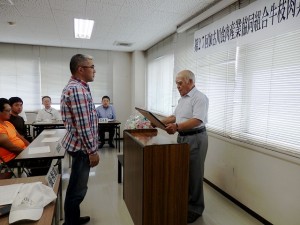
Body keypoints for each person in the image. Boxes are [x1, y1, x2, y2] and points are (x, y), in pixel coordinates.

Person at [162, 70, 209, 224]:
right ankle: (186, 202)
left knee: (194, 174)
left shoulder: (199, 98)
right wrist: (158, 121)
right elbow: (175, 116)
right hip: (183, 136)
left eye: (180, 83)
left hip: (195, 138)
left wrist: (176, 126)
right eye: (176, 83)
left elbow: (197, 120)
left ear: (190, 82)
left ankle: (196, 208)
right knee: (184, 172)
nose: (178, 86)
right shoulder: (183, 99)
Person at [60, 54, 100, 225]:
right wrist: (92, 152)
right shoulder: (77, 89)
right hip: (82, 148)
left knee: (76, 187)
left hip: (78, 145)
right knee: (77, 190)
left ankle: (73, 218)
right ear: (80, 69)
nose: (94, 70)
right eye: (91, 66)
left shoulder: (79, 87)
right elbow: (83, 125)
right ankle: (71, 222)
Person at [0, 98, 29, 164]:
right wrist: (28, 153)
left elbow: (21, 138)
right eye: (8, 111)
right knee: (42, 161)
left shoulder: (8, 123)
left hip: (21, 153)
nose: (10, 113)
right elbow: (12, 148)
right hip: (12, 158)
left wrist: (31, 147)